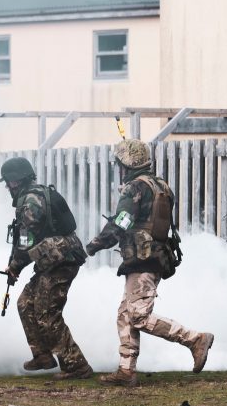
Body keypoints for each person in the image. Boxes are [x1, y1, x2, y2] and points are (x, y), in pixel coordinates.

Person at [84, 140, 214, 386]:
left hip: (143, 258)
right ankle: (126, 370)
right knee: (125, 314)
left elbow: (121, 222)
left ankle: (194, 339)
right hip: (155, 255)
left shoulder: (134, 188)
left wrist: (94, 245)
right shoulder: (160, 185)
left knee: (139, 317)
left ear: (126, 163)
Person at [0, 156, 93, 379]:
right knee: (25, 303)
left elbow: (25, 240)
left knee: (47, 314)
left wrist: (15, 266)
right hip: (52, 261)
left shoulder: (31, 201)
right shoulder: (35, 194)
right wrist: (15, 266)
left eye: (7, 182)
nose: (6, 187)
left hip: (61, 260)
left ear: (14, 181)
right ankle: (42, 356)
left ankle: (76, 366)